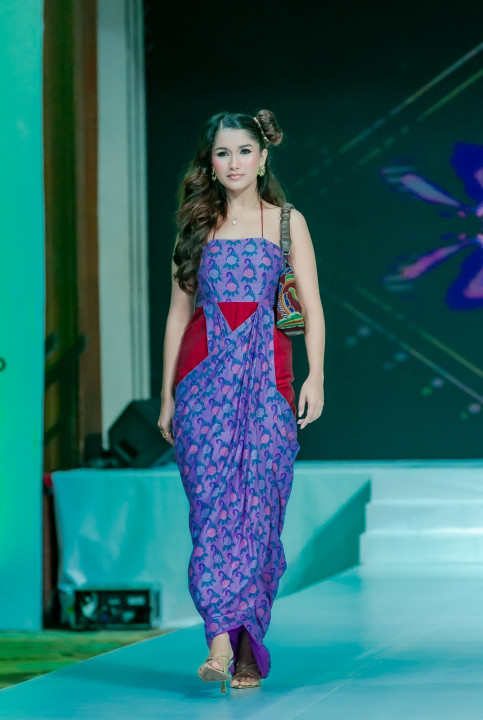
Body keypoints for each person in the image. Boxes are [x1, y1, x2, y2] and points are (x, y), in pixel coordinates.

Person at [158, 109, 325, 691]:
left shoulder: (286, 222)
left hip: (269, 385)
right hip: (203, 387)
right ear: (210, 163)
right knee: (210, 514)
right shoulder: (195, 226)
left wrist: (316, 376)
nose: (234, 163)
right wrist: (166, 396)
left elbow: (312, 305)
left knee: (260, 513)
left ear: (263, 157)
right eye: (223, 153)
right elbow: (178, 315)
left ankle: (249, 638)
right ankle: (220, 642)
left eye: (244, 151)